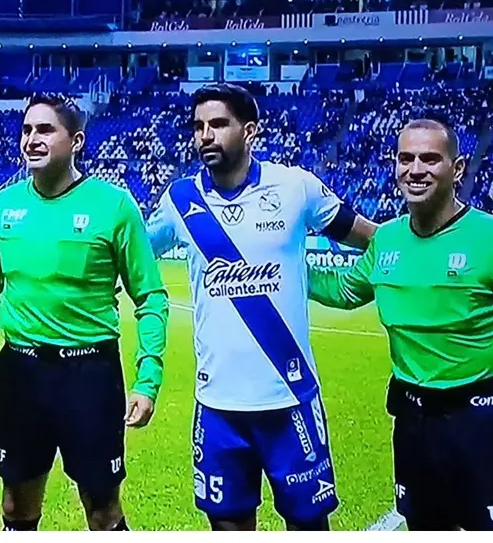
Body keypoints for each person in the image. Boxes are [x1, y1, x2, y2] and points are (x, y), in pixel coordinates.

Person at [307, 118, 493, 531]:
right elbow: (345, 291)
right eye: (406, 158)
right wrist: (280, 267)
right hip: (414, 426)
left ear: (458, 168)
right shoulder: (387, 240)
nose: (415, 169)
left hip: (485, 427)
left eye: (430, 158)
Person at [146, 84, 375, 531]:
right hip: (217, 405)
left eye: (218, 124)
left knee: (309, 526)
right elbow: (131, 253)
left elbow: (373, 238)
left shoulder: (296, 187)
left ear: (250, 131)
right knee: (228, 526)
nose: (205, 135)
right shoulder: (179, 201)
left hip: (290, 399)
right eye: (198, 126)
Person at [0, 93, 169, 531]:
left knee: (102, 509)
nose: (32, 139)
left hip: (89, 376)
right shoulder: (3, 206)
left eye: (45, 130)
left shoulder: (113, 206)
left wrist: (148, 379)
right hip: (20, 373)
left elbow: (151, 297)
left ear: (76, 140)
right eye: (26, 130)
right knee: (15, 506)